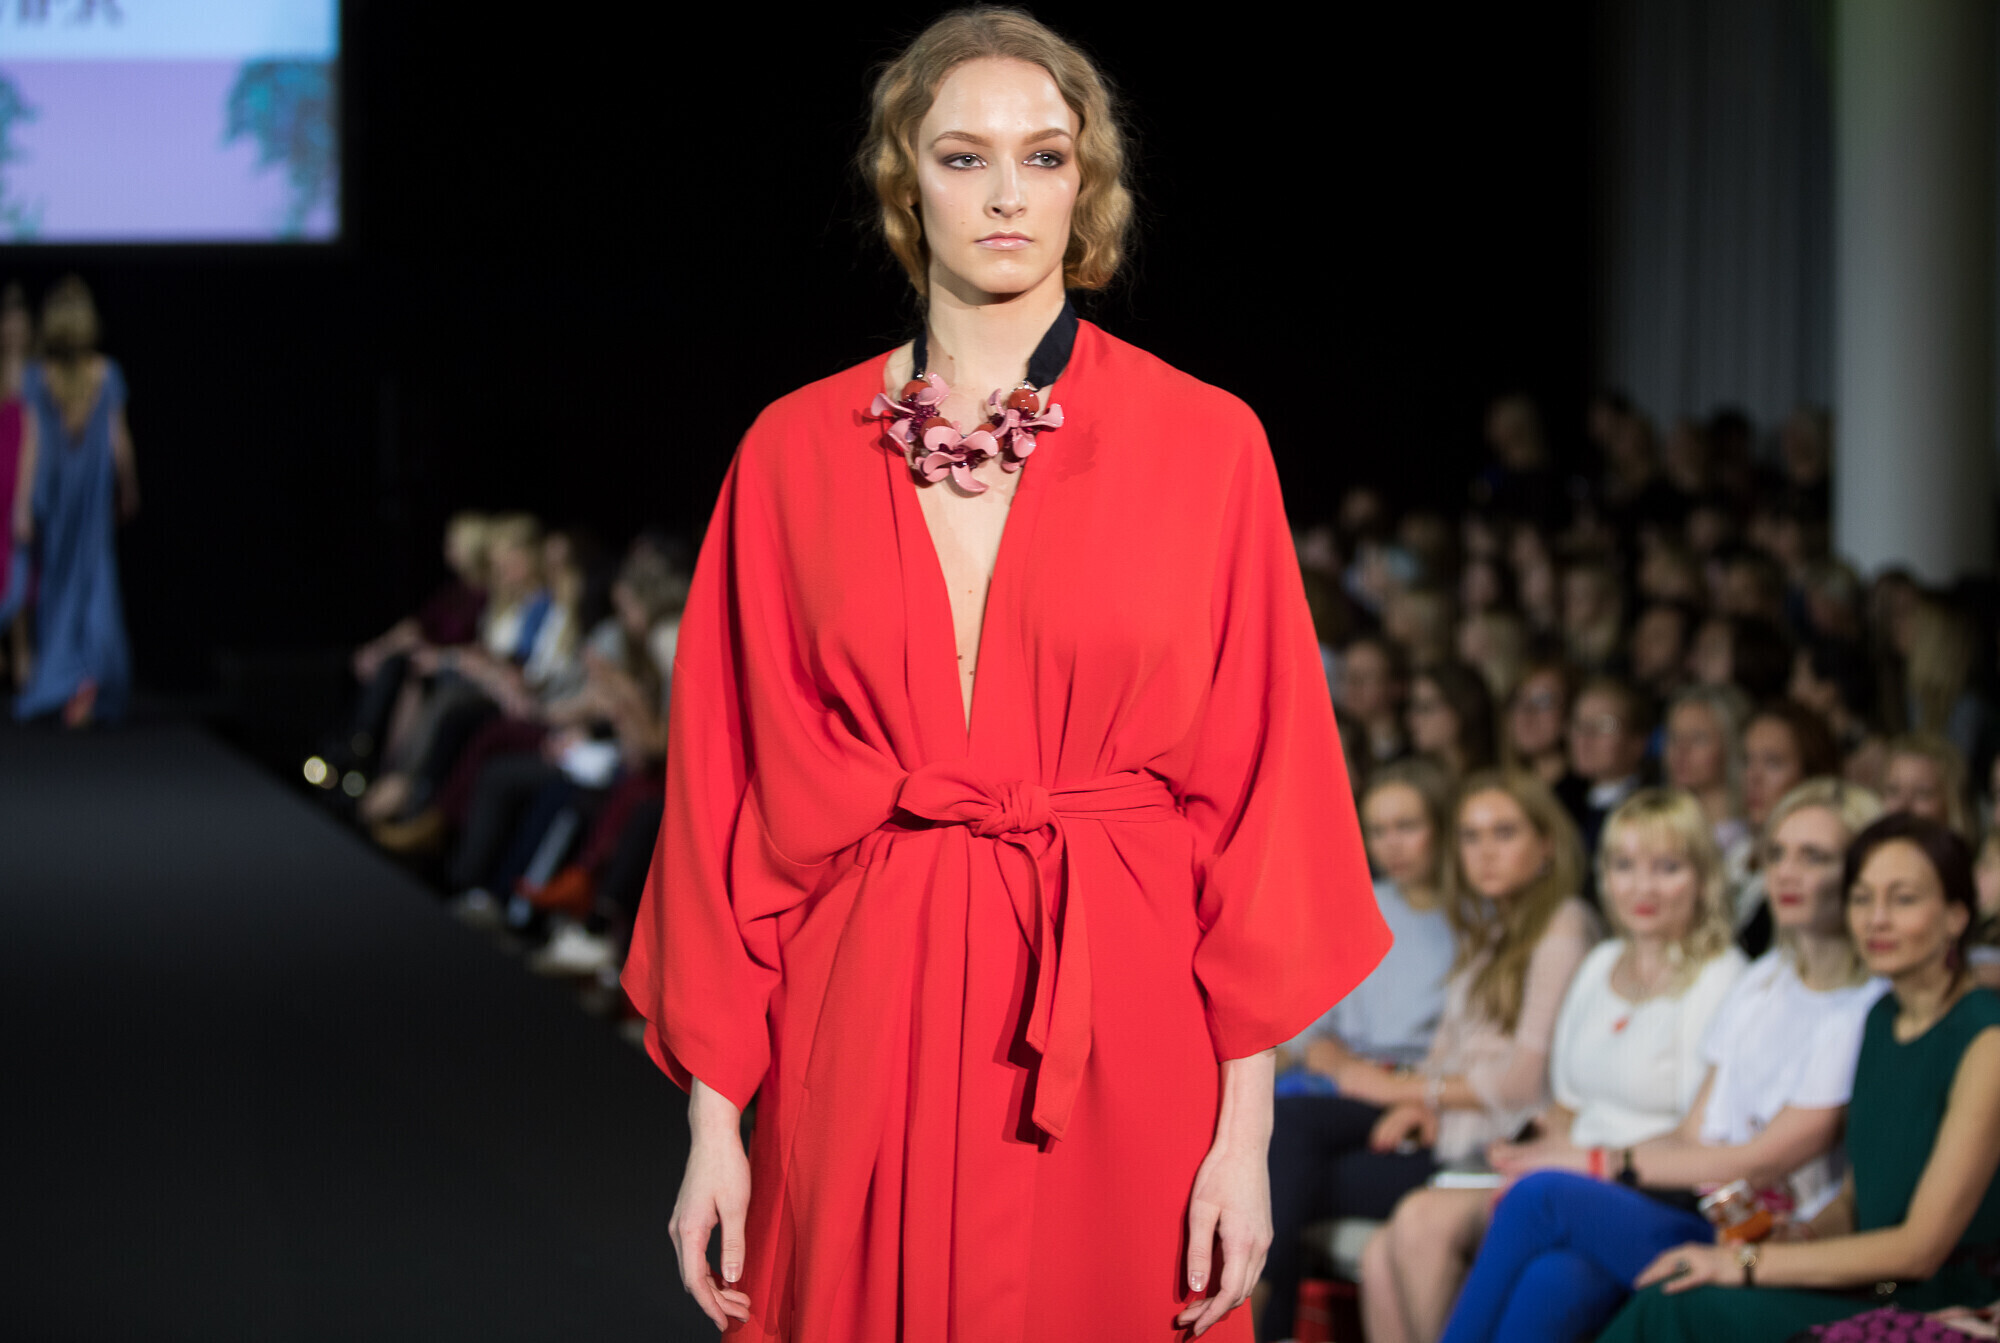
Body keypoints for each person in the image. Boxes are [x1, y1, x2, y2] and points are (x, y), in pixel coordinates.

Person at [620, 12, 1389, 1338]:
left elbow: (1263, 800)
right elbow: (725, 802)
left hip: (1121, 1016)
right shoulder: (793, 452)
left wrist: (1244, 1132)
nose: (1005, 194)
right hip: (866, 1011)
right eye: (963, 155)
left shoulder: (1206, 443)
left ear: (1085, 184)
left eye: (1042, 156)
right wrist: (713, 1122)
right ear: (903, 179)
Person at [1436, 779, 1887, 1343]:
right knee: (1558, 1277)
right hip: (1715, 1211)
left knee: (1540, 1197)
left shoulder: (1856, 1005)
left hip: (1778, 1237)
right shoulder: (1766, 979)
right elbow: (1691, 1132)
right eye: (1777, 854)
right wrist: (1562, 1155)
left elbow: (1760, 1160)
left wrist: (1593, 1163)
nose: (1788, 873)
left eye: (1814, 857)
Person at [1361, 788, 1744, 1343]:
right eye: (1624, 866)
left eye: (1667, 868)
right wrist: (1527, 1149)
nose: (1642, 887)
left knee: (1533, 1201)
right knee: (1553, 1278)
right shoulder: (1602, 963)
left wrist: (1577, 1161)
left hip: (1662, 1193)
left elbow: (1698, 1139)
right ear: (1605, 876)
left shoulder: (1721, 975)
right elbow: (1565, 1104)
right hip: (1577, 1182)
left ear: (1703, 877)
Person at [1599, 812, 2000, 1340]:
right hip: (1874, 1286)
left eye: (1902, 900)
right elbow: (1858, 1200)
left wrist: (1745, 1266)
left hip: (1943, 1301)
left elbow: (1919, 1249)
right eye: (1862, 899)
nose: (1876, 919)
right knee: (1670, 1297)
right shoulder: (1881, 1018)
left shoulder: (1985, 1037)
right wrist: (1800, 1236)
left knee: (1678, 1305)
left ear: (1955, 916)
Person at [1258, 771, 1599, 1341]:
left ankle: (1263, 1321)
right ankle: (1266, 1321)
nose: (1485, 852)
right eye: (1472, 836)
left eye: (1504, 833)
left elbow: (1522, 1081)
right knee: (1296, 1160)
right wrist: (1421, 1104)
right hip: (1449, 1130)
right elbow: (1444, 1052)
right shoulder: (1493, 928)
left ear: (1547, 844)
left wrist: (1398, 1090)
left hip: (1495, 1145)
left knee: (1291, 1164)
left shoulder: (1561, 926)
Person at [1274, 757, 1458, 1091]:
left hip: (1428, 1087)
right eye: (1377, 831)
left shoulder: (1479, 917)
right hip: (1343, 1079)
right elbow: (1309, 1028)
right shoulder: (1353, 903)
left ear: (1443, 826)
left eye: (1407, 826)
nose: (1392, 845)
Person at [13, 275, 136, 726]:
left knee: (59, 583)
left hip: (62, 494)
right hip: (88, 497)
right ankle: (87, 675)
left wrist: (23, 505)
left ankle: (70, 678)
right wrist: (129, 488)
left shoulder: (38, 376)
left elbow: (34, 446)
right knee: (95, 579)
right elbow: (118, 442)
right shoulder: (104, 373)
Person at [0, 283, 34, 672]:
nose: (13, 328)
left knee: (23, 574)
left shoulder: (37, 373)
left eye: (18, 320)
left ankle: (24, 659)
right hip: (1, 480)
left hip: (25, 482)